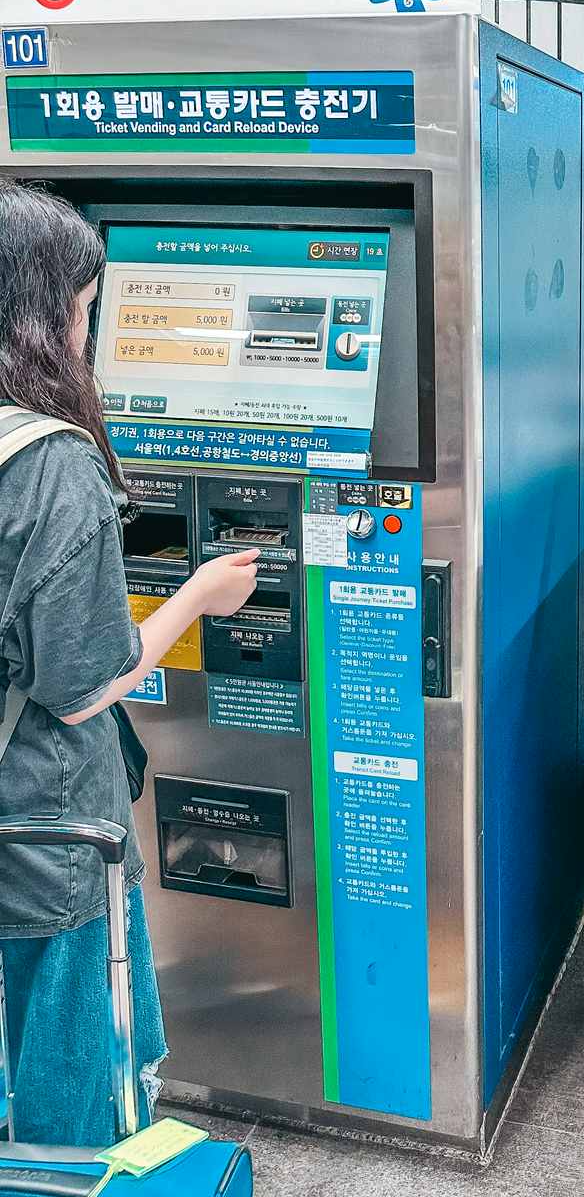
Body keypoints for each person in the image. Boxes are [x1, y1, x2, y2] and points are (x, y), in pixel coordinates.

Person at [0, 182, 260, 1147]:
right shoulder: (50, 460)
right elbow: (84, 687)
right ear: (41, 310)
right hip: (50, 833)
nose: (87, 330)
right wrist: (196, 597)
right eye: (85, 306)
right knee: (82, 1086)